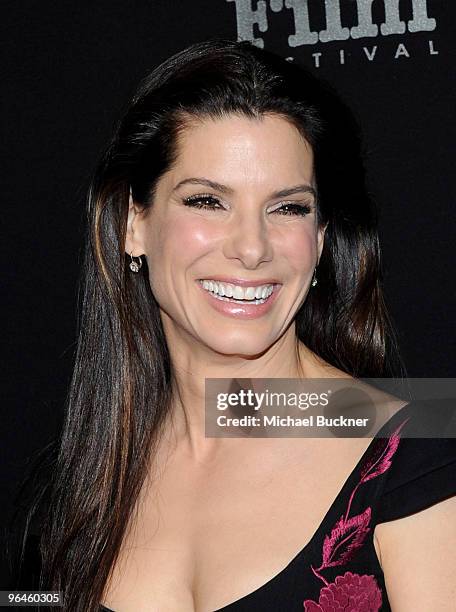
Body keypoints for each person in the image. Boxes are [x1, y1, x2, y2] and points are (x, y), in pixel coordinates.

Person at [9, 39, 456, 611]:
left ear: (319, 241)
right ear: (132, 225)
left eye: (287, 207)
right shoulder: (72, 484)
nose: (252, 247)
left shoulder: (417, 453)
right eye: (206, 201)